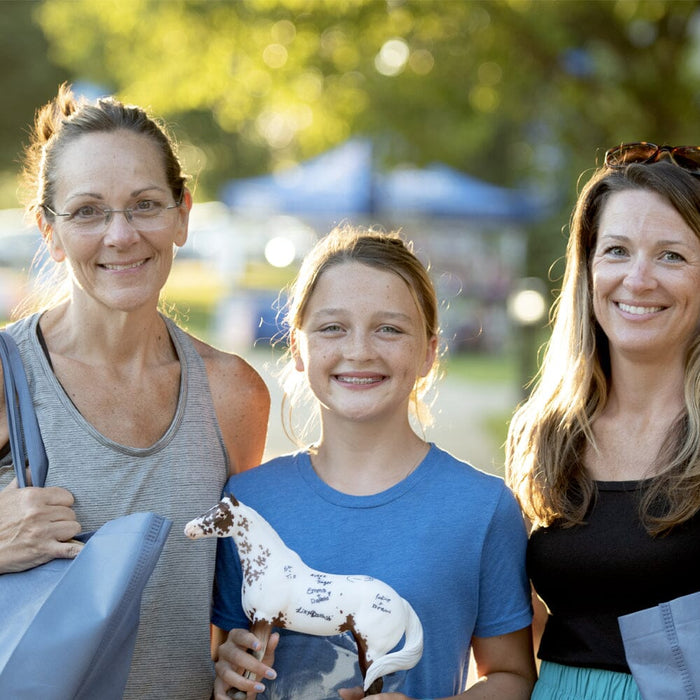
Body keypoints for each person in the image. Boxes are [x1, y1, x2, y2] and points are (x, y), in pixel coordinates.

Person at [0, 83, 270, 699]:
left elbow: (219, 598)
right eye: (88, 211)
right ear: (49, 230)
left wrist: (232, 654)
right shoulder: (7, 372)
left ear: (182, 214)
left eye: (145, 205)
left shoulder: (233, 394)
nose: (120, 235)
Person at [208, 225, 536, 700]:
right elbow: (222, 661)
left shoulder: (482, 509)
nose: (359, 351)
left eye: (389, 328)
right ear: (298, 348)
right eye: (332, 327)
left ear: (428, 352)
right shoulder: (248, 499)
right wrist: (226, 669)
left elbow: (513, 677)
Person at [506, 142, 700, 700]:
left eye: (672, 256)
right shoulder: (545, 434)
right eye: (616, 250)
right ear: (588, 270)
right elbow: (523, 627)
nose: (637, 281)